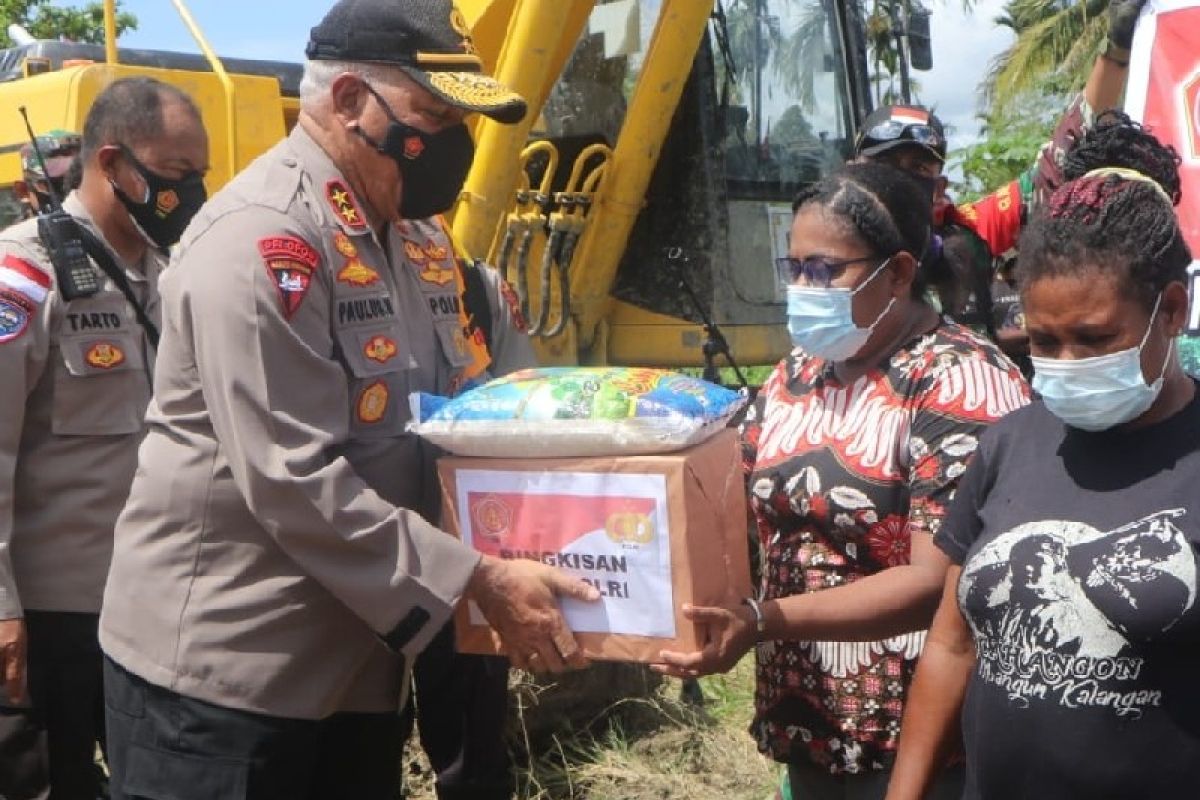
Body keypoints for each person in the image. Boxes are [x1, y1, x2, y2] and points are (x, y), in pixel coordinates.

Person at [98, 2, 597, 798]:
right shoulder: (264, 242)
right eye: (433, 117)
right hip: (230, 683)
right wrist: (479, 579)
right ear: (348, 102)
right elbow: (291, 478)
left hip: (361, 668)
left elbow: (477, 408)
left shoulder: (418, 239)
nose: (453, 145)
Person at [654, 162, 1029, 797]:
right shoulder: (798, 373)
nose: (804, 286)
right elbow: (737, 502)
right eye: (795, 267)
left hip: (924, 745)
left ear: (900, 273)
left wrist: (764, 620)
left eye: (825, 270)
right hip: (809, 723)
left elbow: (936, 578)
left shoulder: (960, 381)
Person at [885, 132, 1198, 800]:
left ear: (1171, 311)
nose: (1066, 362)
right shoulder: (1009, 444)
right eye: (1044, 341)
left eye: (1095, 339)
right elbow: (952, 644)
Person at [0, 78, 209, 800]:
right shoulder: (22, 276)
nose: (194, 192)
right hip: (54, 613)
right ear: (115, 164)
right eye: (179, 175)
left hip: (154, 604)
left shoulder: (171, 275)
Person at [853, 0, 1149, 368]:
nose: (900, 180)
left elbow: (1059, 161)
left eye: (918, 167)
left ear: (940, 185)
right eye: (885, 165)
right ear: (853, 171)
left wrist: (1116, 52)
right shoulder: (828, 247)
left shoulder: (970, 231)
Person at [398, 220, 533, 800]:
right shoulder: (333, 282)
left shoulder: (479, 288)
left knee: (470, 740)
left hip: (466, 541)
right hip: (366, 543)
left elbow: (522, 399)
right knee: (363, 730)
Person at [13, 130, 82, 219]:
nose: (72, 194)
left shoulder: (98, 228)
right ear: (23, 191)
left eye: (79, 181)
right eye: (57, 184)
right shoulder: (23, 232)